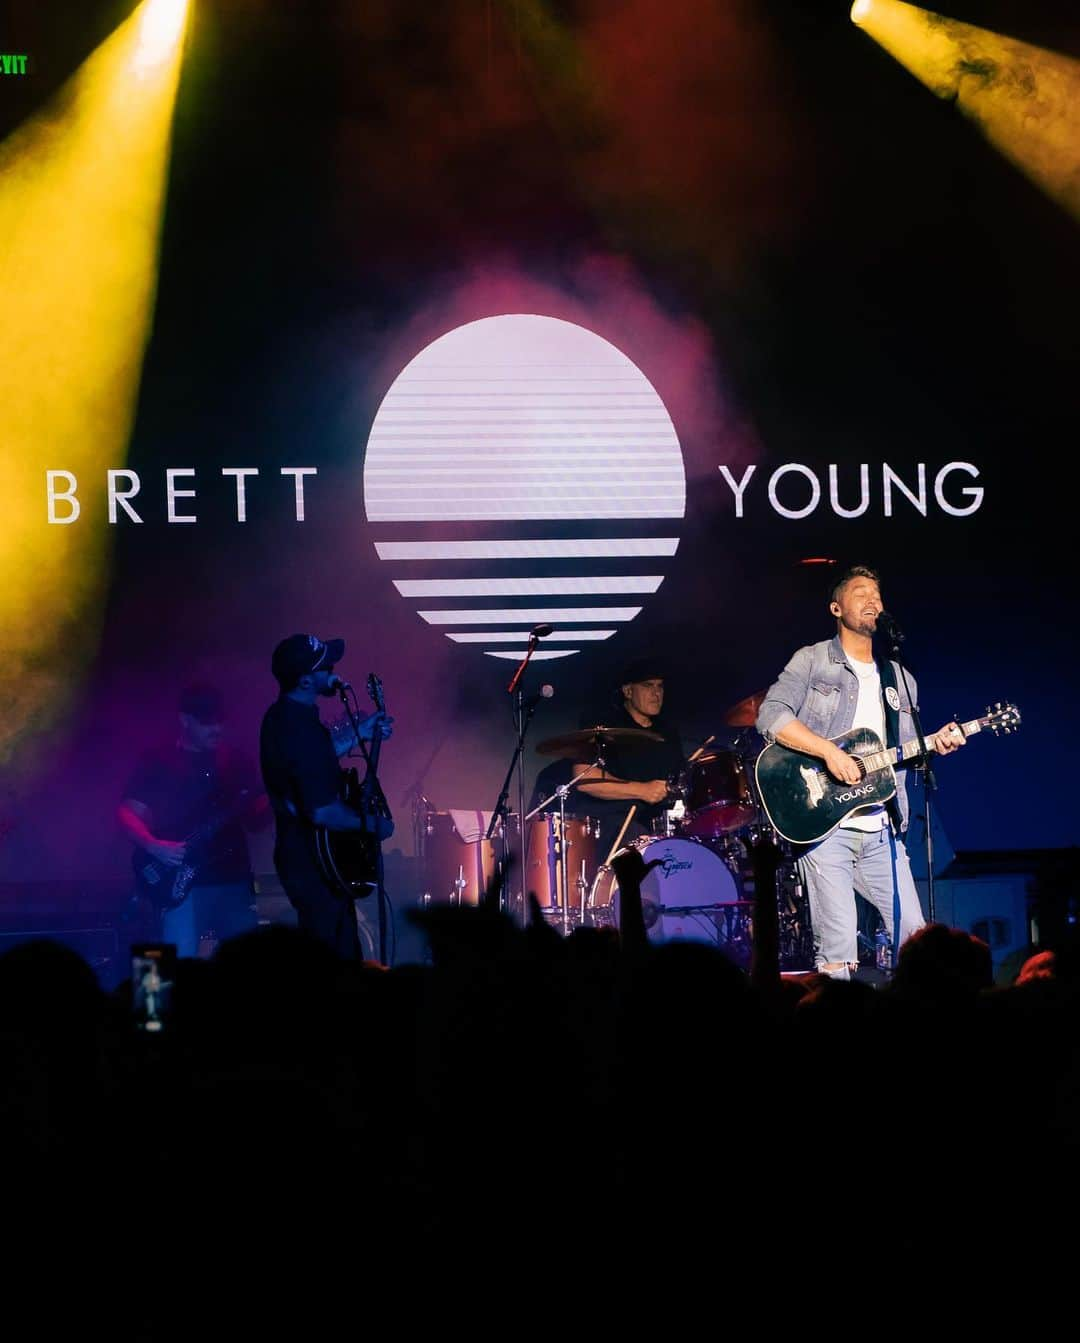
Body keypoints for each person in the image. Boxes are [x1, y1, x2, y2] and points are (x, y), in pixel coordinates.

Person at [755, 565, 965, 978]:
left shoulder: (900, 678)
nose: (872, 600)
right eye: (860, 593)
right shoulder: (813, 660)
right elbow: (771, 716)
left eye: (877, 594)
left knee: (916, 939)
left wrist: (935, 744)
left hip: (882, 830)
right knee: (839, 950)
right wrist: (828, 754)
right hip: (826, 828)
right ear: (836, 607)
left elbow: (900, 755)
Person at [258, 633, 392, 959]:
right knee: (330, 961)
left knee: (342, 950)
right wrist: (372, 824)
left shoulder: (288, 716)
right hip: (312, 863)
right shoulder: (296, 727)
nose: (333, 670)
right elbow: (321, 811)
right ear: (305, 681)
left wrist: (360, 731)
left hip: (316, 861)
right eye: (325, 666)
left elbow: (316, 757)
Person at [119, 683, 266, 958]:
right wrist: (154, 846)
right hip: (180, 885)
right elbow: (127, 813)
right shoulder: (158, 761)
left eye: (220, 721)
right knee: (174, 963)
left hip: (232, 880)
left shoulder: (236, 761)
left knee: (247, 966)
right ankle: (162, 1003)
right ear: (184, 720)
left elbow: (256, 821)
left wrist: (282, 799)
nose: (216, 729)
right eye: (206, 722)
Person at [570, 657, 685, 867]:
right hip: (614, 824)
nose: (656, 693)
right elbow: (585, 777)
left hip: (660, 823)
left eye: (660, 686)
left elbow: (680, 781)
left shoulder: (668, 732)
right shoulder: (604, 726)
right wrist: (642, 790)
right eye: (648, 686)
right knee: (640, 844)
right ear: (628, 691)